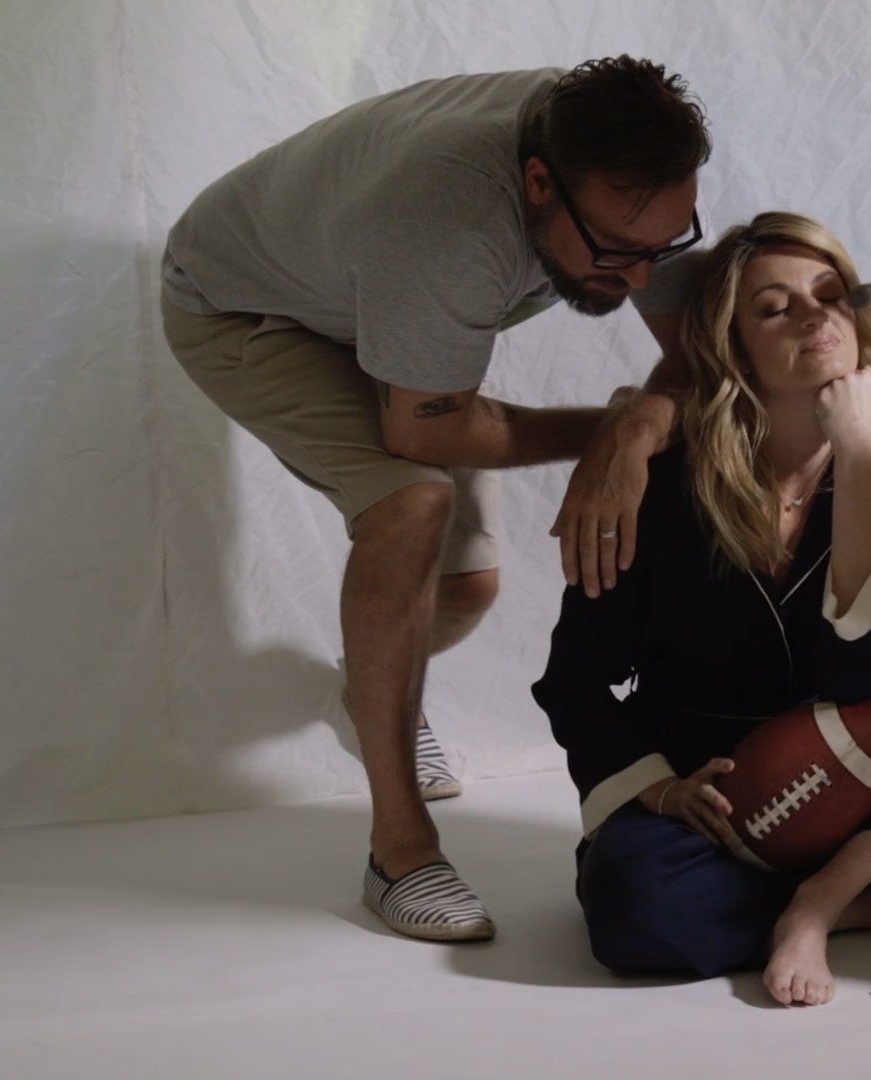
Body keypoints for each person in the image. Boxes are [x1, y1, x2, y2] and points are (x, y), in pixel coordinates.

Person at [159, 57, 710, 943]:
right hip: (247, 307)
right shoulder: (446, 224)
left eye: (666, 246)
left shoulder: (624, 163)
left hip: (368, 290)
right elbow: (426, 432)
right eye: (616, 253)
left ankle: (369, 695)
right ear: (539, 184)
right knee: (411, 502)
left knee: (467, 588)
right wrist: (606, 434)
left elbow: (694, 358)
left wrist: (641, 424)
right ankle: (399, 852)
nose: (643, 278)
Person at [531, 212, 871, 1006]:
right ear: (733, 346)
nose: (813, 316)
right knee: (632, 910)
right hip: (713, 811)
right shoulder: (660, 485)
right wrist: (661, 791)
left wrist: (859, 457)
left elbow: (859, 667)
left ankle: (823, 903)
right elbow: (574, 680)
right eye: (773, 307)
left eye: (830, 295)